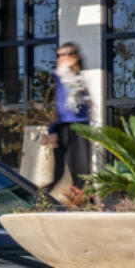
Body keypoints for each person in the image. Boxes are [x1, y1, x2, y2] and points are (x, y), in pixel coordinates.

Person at [43, 42, 94, 194]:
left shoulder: (81, 79)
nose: (60, 58)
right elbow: (60, 107)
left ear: (74, 56)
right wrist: (52, 131)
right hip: (63, 127)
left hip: (81, 127)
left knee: (82, 170)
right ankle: (39, 199)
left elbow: (84, 107)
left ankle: (84, 202)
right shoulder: (61, 77)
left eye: (65, 54)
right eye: (59, 55)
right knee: (58, 172)